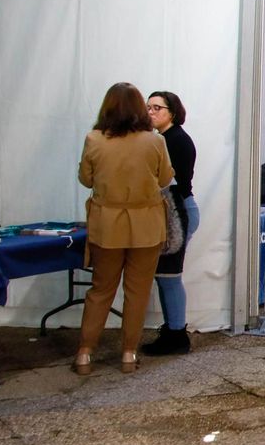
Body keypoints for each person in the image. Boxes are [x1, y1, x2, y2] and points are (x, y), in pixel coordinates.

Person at [73, 83, 173, 375]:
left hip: (107, 224)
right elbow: (166, 177)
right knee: (138, 291)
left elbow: (86, 179)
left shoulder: (94, 139)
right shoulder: (155, 142)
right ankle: (128, 353)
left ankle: (84, 353)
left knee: (101, 290)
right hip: (147, 224)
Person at [143, 91, 198, 356]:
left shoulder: (174, 140)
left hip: (177, 212)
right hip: (172, 211)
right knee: (164, 275)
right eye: (148, 107)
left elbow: (170, 182)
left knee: (169, 275)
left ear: (172, 112)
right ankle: (172, 329)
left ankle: (177, 335)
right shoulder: (163, 139)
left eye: (157, 108)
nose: (151, 112)